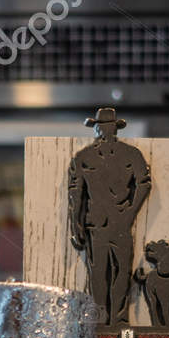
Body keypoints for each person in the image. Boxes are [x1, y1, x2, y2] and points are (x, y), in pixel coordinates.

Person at [67, 107, 151, 326]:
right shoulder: (83, 157)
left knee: (122, 271)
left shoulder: (131, 154)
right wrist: (76, 226)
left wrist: (131, 212)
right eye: (101, 126)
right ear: (96, 129)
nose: (104, 130)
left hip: (121, 223)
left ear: (115, 128)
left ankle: (119, 319)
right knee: (98, 274)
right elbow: (75, 194)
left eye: (108, 126)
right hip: (96, 225)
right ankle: (101, 319)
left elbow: (144, 183)